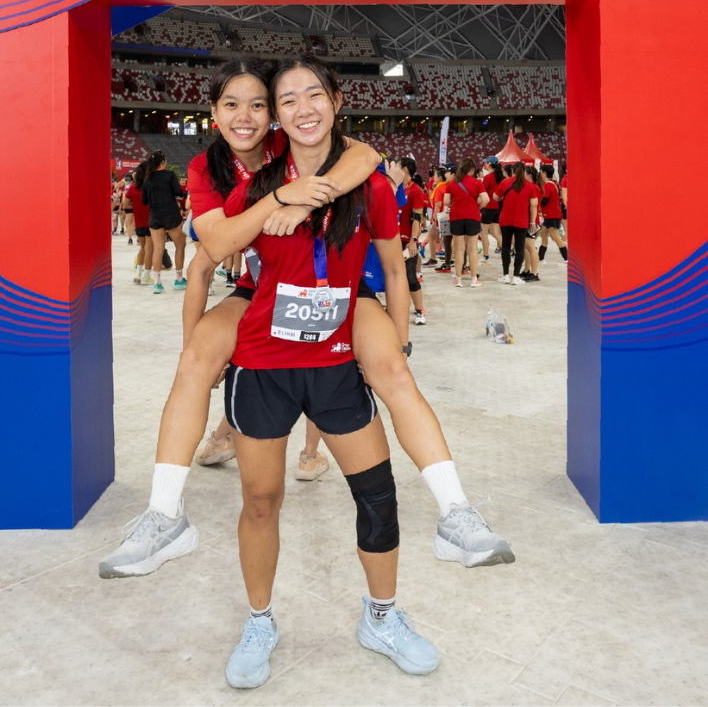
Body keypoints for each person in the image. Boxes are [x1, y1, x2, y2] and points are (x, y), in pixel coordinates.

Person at [99, 57, 511, 581]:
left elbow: (364, 155)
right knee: (195, 363)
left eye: (258, 105)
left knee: (392, 371)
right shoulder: (208, 169)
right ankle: (164, 514)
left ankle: (457, 513)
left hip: (340, 289)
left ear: (273, 115)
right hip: (258, 288)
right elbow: (212, 253)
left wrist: (308, 200)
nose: (246, 117)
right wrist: (279, 198)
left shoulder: (288, 141)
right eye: (231, 105)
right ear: (213, 113)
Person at [215, 56, 439, 686]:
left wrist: (394, 347)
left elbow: (396, 270)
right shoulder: (261, 184)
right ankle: (259, 620)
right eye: (288, 100)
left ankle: (382, 616)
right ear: (277, 117)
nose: (304, 108)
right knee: (261, 500)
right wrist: (276, 203)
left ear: (337, 101)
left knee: (377, 495)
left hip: (339, 364)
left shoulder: (369, 184)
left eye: (316, 94)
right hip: (263, 365)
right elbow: (215, 248)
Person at [141, 150, 187, 293]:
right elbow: (179, 192)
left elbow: (144, 201)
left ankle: (157, 283)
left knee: (158, 248)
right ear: (163, 162)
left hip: (155, 216)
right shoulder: (169, 175)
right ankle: (179, 279)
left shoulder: (148, 179)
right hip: (171, 215)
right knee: (180, 246)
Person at [390, 158, 427, 325]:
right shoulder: (395, 187)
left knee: (410, 275)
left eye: (397, 166)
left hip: (407, 240)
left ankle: (419, 310)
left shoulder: (415, 190)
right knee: (393, 276)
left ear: (404, 169)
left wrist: (413, 240)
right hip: (392, 239)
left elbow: (417, 218)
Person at [443, 158, 487, 288]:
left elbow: (446, 201)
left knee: (459, 249)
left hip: (456, 216)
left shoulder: (452, 183)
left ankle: (458, 279)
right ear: (472, 170)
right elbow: (486, 199)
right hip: (472, 216)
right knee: (472, 249)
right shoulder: (477, 183)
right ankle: (474, 279)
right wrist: (477, 207)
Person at [498, 166, 541, 285]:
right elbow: (534, 205)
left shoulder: (505, 182)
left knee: (506, 247)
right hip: (522, 220)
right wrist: (532, 222)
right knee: (520, 248)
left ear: (512, 171)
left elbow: (495, 197)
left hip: (506, 220)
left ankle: (506, 275)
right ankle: (516, 276)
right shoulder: (530, 186)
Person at [126, 162, 152, 279]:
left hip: (139, 223)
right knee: (149, 249)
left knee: (142, 248)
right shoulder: (150, 185)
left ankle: (138, 273)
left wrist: (135, 207)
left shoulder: (133, 187)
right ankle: (146, 275)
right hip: (151, 221)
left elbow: (125, 203)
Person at [536, 163, 567, 265]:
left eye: (541, 172)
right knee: (544, 235)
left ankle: (567, 259)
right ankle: (540, 259)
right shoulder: (552, 183)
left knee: (556, 237)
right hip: (549, 215)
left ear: (544, 173)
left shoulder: (548, 185)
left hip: (552, 215)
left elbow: (544, 201)